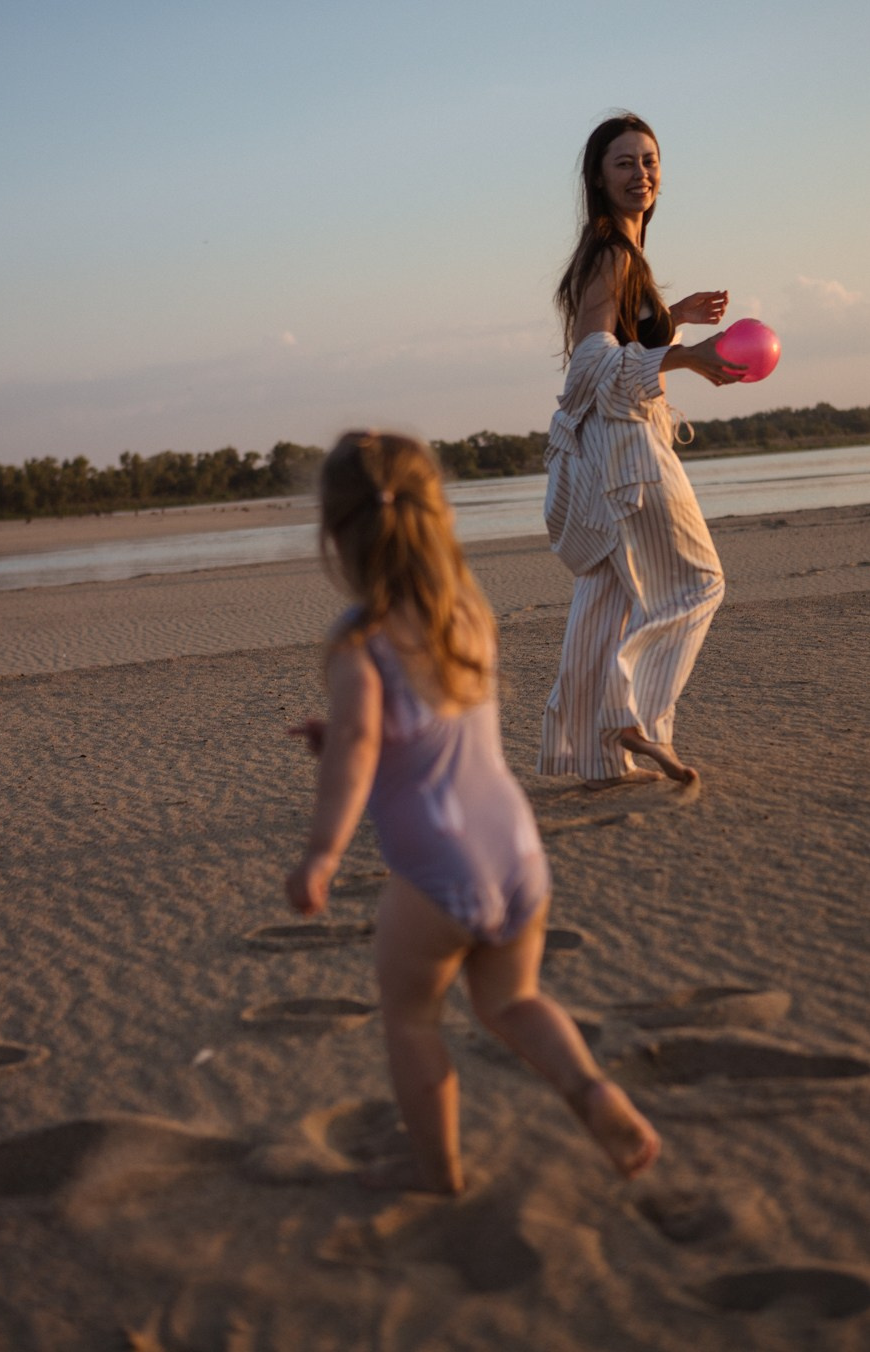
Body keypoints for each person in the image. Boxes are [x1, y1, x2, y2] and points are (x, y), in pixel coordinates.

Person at [285, 429, 660, 1195]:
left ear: (336, 535)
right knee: (514, 999)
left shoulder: (357, 640)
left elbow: (361, 747)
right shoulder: (466, 614)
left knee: (411, 1021)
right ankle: (595, 1096)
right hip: (516, 851)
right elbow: (427, 725)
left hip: (436, 869)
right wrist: (362, 734)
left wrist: (321, 853)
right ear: (437, 517)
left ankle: (439, 1172)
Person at [539, 112, 745, 790]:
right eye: (623, 162)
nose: (641, 173)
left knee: (606, 596)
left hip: (602, 450)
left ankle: (597, 758)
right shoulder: (612, 252)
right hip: (626, 448)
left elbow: (615, 333)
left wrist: (667, 316)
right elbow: (591, 360)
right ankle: (633, 716)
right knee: (696, 582)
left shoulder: (617, 254)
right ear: (598, 177)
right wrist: (682, 355)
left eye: (649, 160)